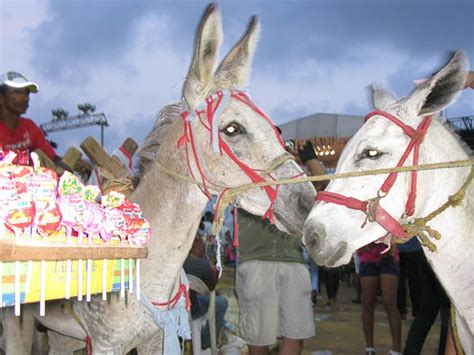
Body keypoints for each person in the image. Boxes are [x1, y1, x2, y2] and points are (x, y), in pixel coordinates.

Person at [0, 71, 60, 164]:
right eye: (17, 92)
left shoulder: (29, 126)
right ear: (1, 98)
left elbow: (51, 158)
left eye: (27, 93)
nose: (25, 98)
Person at [183, 237, 229, 351]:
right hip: (195, 307)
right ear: (201, 248)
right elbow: (212, 287)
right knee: (222, 303)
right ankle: (207, 342)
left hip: (180, 304)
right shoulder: (203, 263)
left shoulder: (181, 261)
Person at [358, 242, 402, 355]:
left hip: (389, 256)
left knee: (389, 303)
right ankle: (369, 347)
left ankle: (396, 349)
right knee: (367, 304)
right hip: (367, 257)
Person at [396, 238, 422, 320]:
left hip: (399, 247)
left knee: (400, 281)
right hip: (415, 248)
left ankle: (401, 310)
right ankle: (416, 310)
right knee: (415, 281)